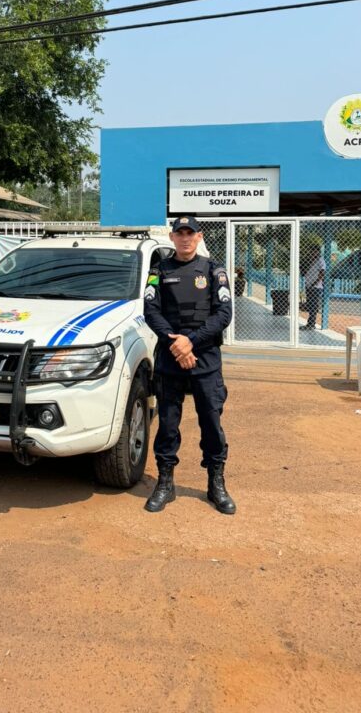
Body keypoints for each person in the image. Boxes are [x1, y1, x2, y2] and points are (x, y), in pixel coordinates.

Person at [143, 216, 235, 514]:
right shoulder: (159, 270)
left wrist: (190, 341)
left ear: (199, 237)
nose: (185, 238)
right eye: (179, 233)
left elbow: (224, 314)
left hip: (205, 358)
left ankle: (216, 483)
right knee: (168, 423)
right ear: (172, 237)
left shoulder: (213, 270)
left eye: (190, 233)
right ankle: (165, 483)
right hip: (171, 358)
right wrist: (176, 344)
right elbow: (151, 310)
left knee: (211, 421)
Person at [302, 251, 325, 330]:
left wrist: (314, 283)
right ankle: (310, 323)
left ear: (317, 252)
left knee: (313, 306)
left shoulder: (320, 261)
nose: (311, 254)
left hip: (316, 287)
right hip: (309, 286)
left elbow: (322, 273)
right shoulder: (311, 261)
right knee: (310, 305)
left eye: (312, 252)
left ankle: (311, 324)